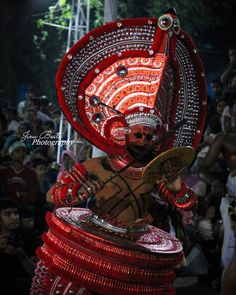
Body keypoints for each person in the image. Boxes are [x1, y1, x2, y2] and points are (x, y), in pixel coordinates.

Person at [31, 10, 207, 294]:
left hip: (135, 246)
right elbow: (52, 195)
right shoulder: (96, 166)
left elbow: (188, 205)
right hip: (95, 242)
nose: (144, 141)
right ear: (124, 133)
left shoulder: (155, 171)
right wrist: (74, 193)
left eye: (150, 137)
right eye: (139, 134)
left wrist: (176, 187)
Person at [199, 127, 236, 284]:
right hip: (233, 196)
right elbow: (203, 170)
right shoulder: (224, 139)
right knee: (231, 245)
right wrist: (215, 182)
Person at [0, 198, 36, 294]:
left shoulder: (28, 235)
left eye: (16, 213)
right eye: (8, 214)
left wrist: (20, 254)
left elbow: (36, 274)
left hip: (23, 281)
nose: (14, 217)